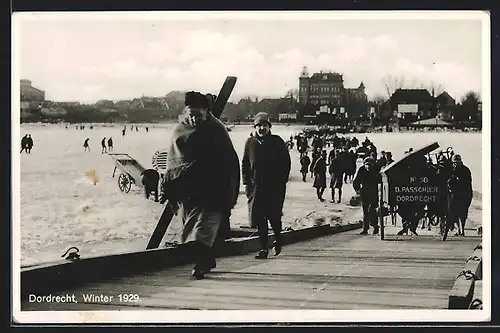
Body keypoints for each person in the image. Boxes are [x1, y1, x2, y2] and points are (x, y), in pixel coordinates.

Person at [162, 91, 240, 280]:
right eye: (191, 115)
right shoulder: (179, 130)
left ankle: (202, 264)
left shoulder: (216, 129)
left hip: (214, 188)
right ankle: (208, 258)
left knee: (203, 229)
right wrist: (171, 184)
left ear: (207, 113)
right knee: (189, 230)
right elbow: (174, 161)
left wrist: (230, 188)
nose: (195, 119)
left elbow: (229, 160)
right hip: (190, 189)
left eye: (199, 115)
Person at [242, 112, 291, 260]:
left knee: (274, 216)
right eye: (259, 125)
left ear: (269, 127)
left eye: (265, 125)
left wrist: (282, 180)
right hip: (256, 188)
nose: (262, 128)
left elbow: (286, 163)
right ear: (255, 127)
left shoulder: (277, 141)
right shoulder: (250, 143)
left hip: (274, 187)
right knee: (260, 220)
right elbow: (245, 164)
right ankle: (263, 249)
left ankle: (278, 238)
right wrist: (247, 184)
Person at [446, 154, 473, 238]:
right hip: (466, 195)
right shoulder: (466, 169)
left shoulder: (455, 170)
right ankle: (461, 231)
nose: (455, 164)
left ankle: (460, 230)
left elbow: (452, 182)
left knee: (455, 212)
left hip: (460, 195)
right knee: (463, 213)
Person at [353, 157, 381, 235]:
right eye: (367, 165)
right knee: (365, 211)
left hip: (373, 191)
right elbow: (356, 181)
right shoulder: (362, 170)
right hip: (365, 192)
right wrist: (357, 190)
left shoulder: (376, 170)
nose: (368, 166)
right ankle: (365, 228)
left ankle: (375, 226)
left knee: (372, 210)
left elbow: (381, 180)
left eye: (370, 165)